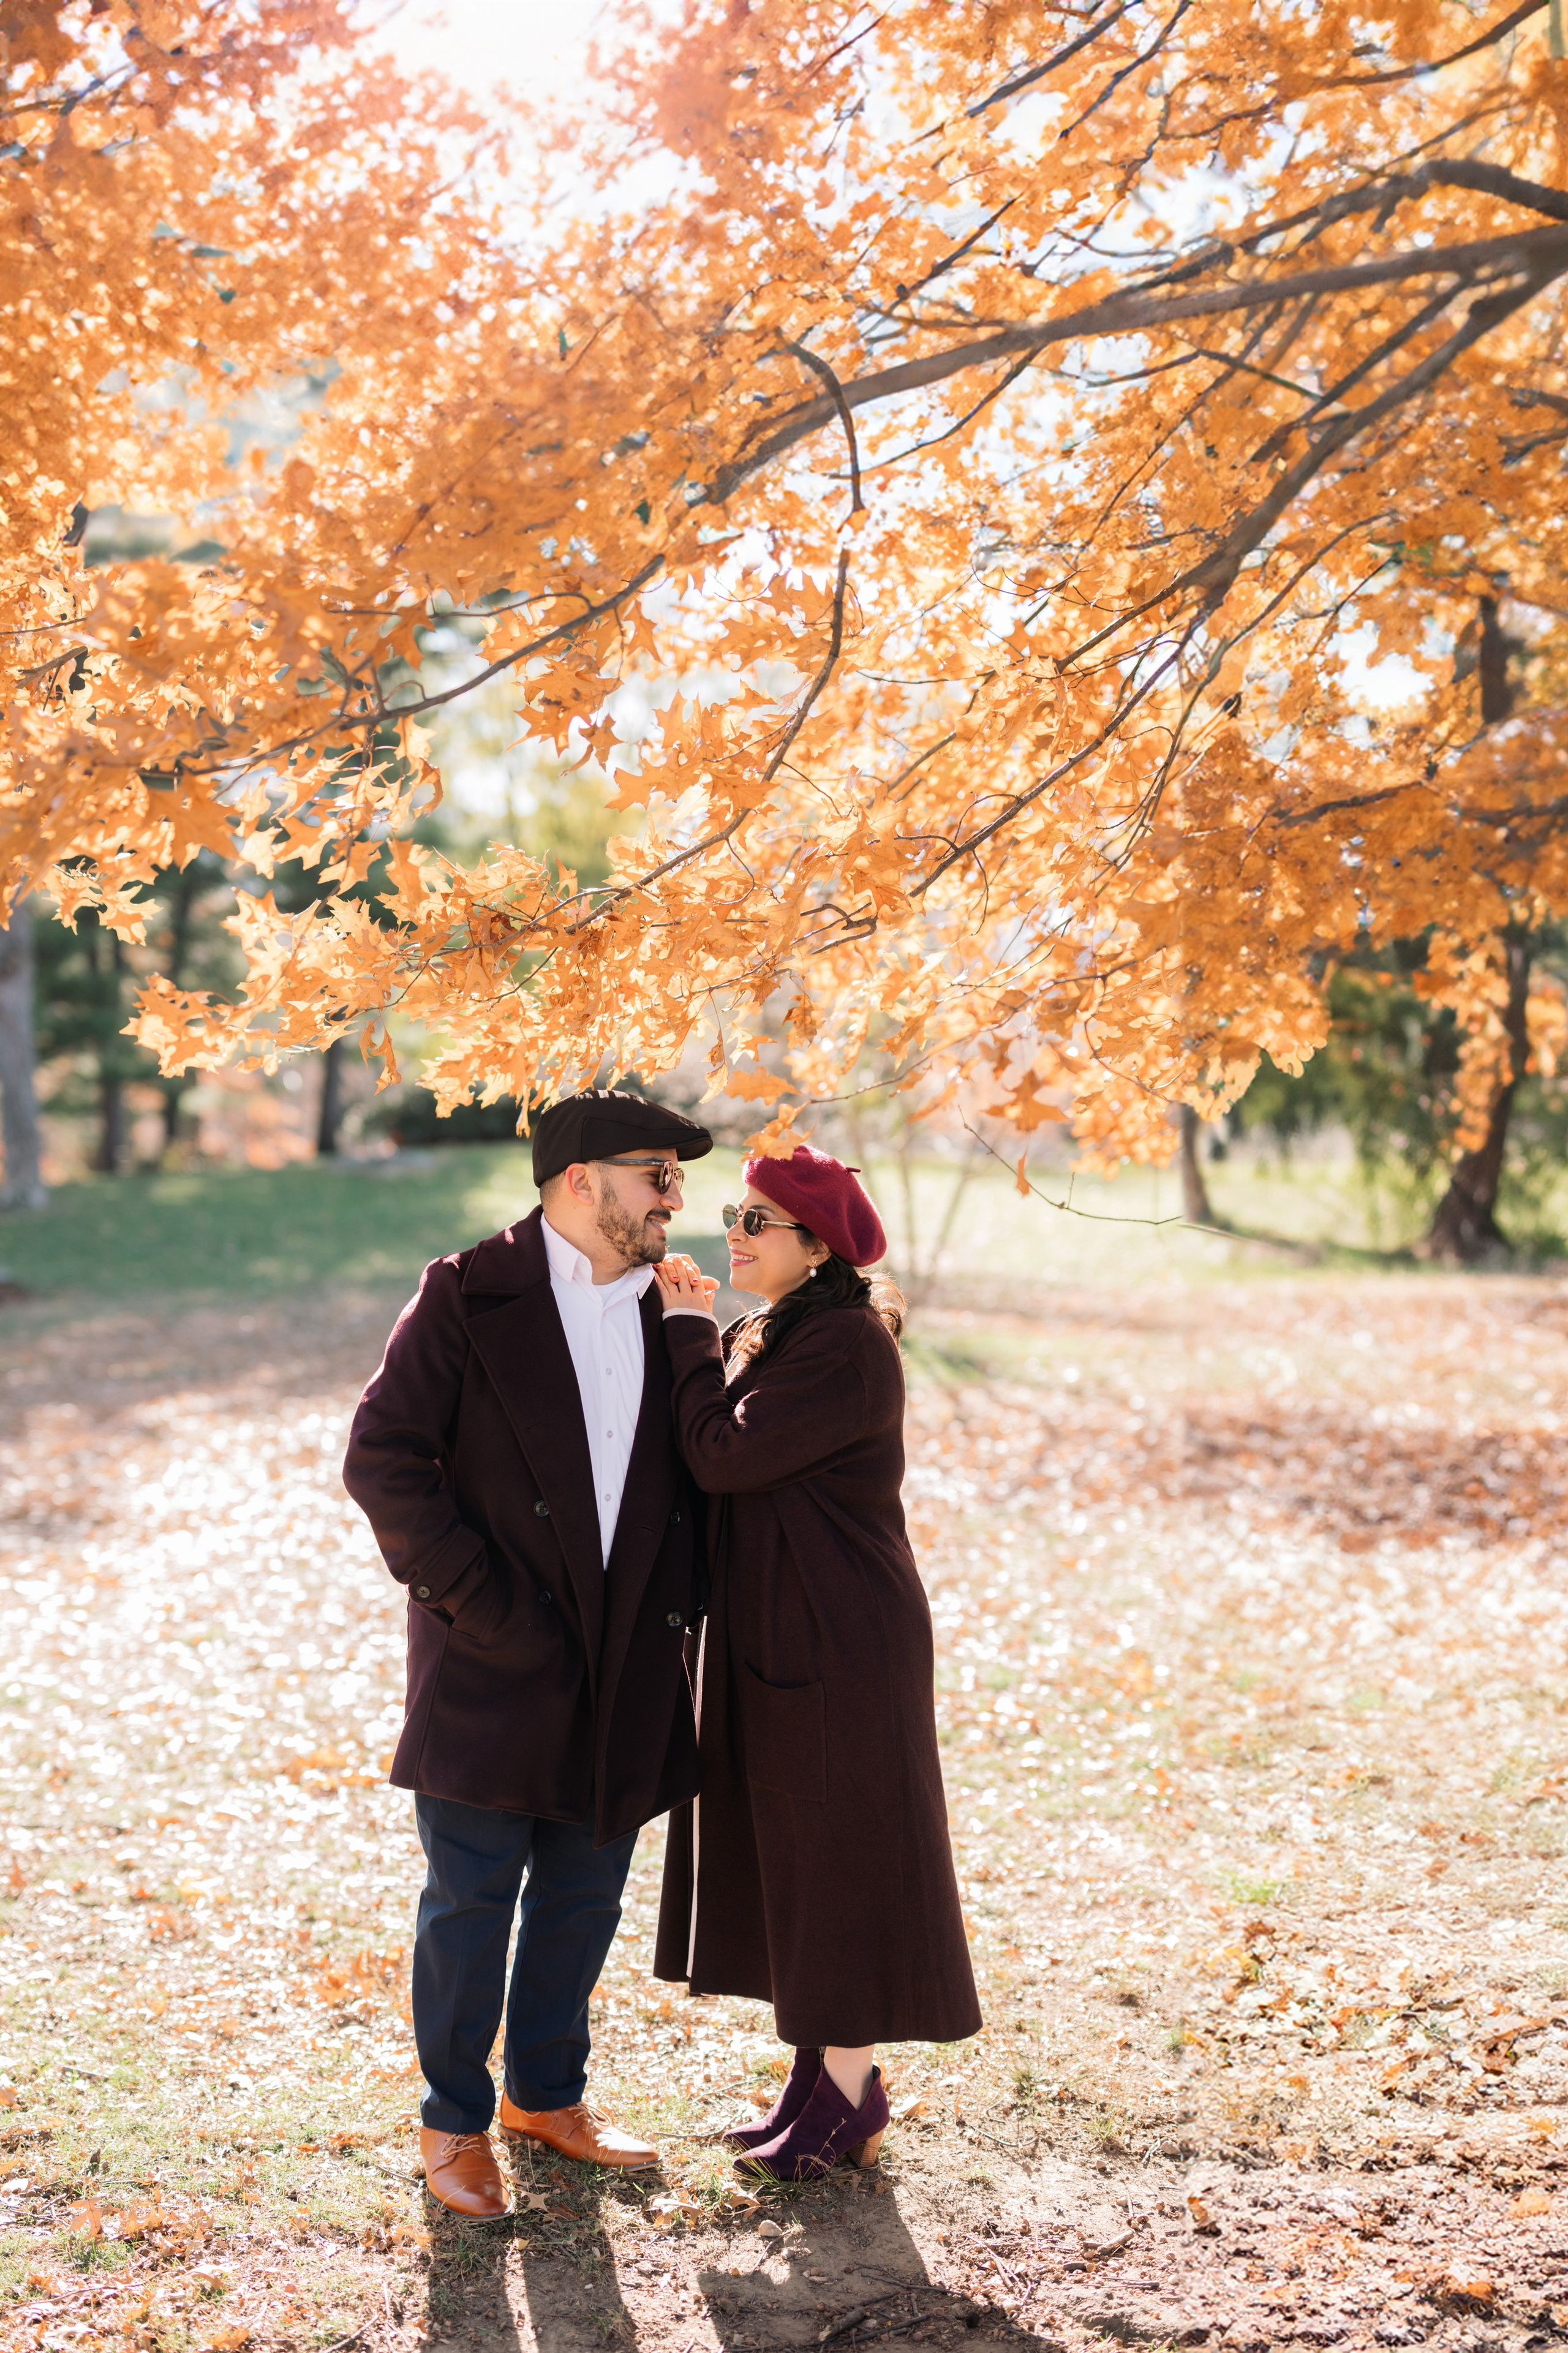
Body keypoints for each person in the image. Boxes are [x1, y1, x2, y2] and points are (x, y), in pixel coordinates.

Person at [342, 1089, 716, 2218]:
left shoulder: (674, 1307)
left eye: (676, 1176)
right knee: (469, 1901)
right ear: (577, 1181)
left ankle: (547, 2094)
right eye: (655, 1172)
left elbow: (706, 1471)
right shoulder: (466, 1292)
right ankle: (453, 2122)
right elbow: (384, 1458)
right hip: (492, 1656)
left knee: (583, 1893)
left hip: (628, 1661)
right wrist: (479, 1603)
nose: (674, 1194)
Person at [650, 1143, 981, 2180]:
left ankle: (848, 2094)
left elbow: (724, 1455)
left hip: (841, 1638)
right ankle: (821, 2082)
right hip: (785, 1625)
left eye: (757, 1222)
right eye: (736, 1214)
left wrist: (685, 1335)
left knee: (835, 1851)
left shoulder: (842, 1342)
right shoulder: (778, 1328)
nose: (735, 1233)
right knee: (793, 1847)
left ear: (816, 1245)